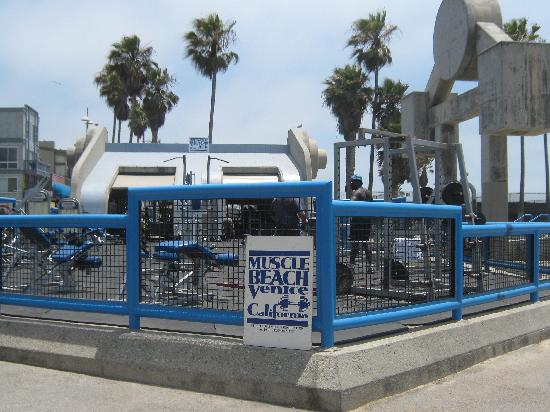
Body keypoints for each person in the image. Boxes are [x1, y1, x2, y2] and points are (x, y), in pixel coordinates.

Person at [349, 187, 373, 265]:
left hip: (357, 222)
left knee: (355, 245)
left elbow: (350, 205)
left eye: (352, 182)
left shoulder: (357, 192)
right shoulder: (368, 193)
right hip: (367, 222)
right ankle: (370, 265)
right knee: (366, 244)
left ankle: (351, 265)